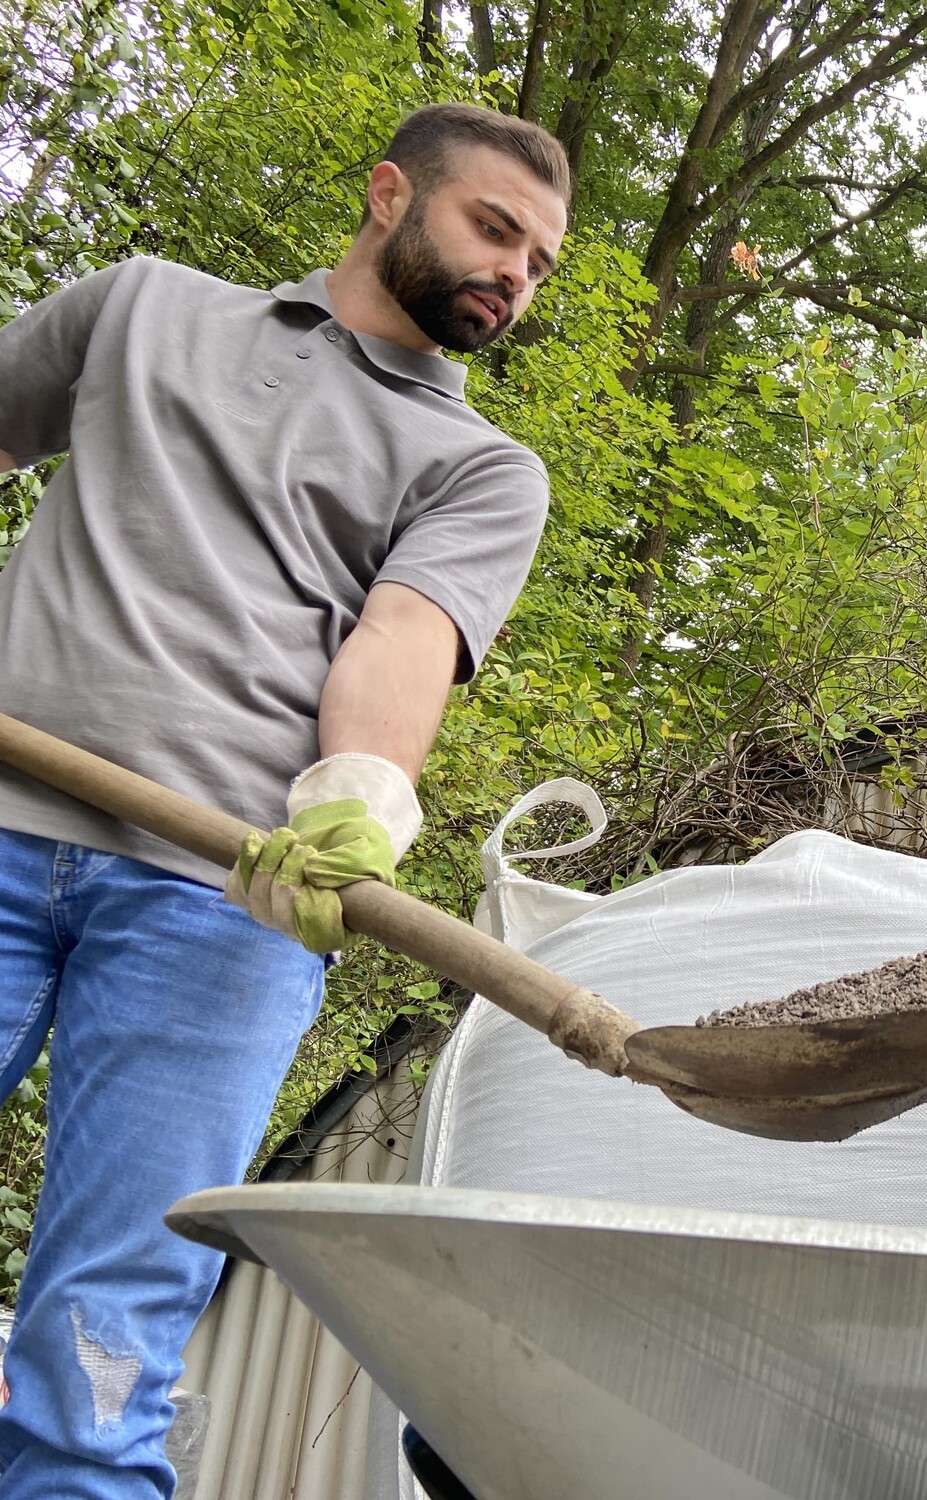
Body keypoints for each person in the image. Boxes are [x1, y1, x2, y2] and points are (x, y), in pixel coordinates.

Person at [0, 102, 569, 1495]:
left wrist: (360, 803)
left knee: (104, 1341)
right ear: (389, 195)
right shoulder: (141, 310)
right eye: (495, 228)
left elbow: (397, 643)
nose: (516, 274)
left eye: (541, 262)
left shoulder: (482, 468)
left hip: (224, 907)